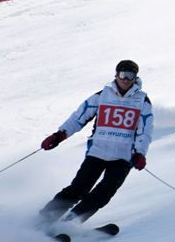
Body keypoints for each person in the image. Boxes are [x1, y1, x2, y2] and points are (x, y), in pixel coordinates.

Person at [37, 60, 154, 229]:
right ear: (116, 75)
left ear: (136, 78)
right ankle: (44, 218)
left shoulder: (142, 101)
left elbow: (145, 130)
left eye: (131, 76)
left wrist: (140, 152)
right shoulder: (102, 95)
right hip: (98, 152)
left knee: (104, 193)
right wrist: (60, 134)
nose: (126, 80)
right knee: (78, 189)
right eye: (123, 75)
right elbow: (79, 117)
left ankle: (71, 222)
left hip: (123, 156)